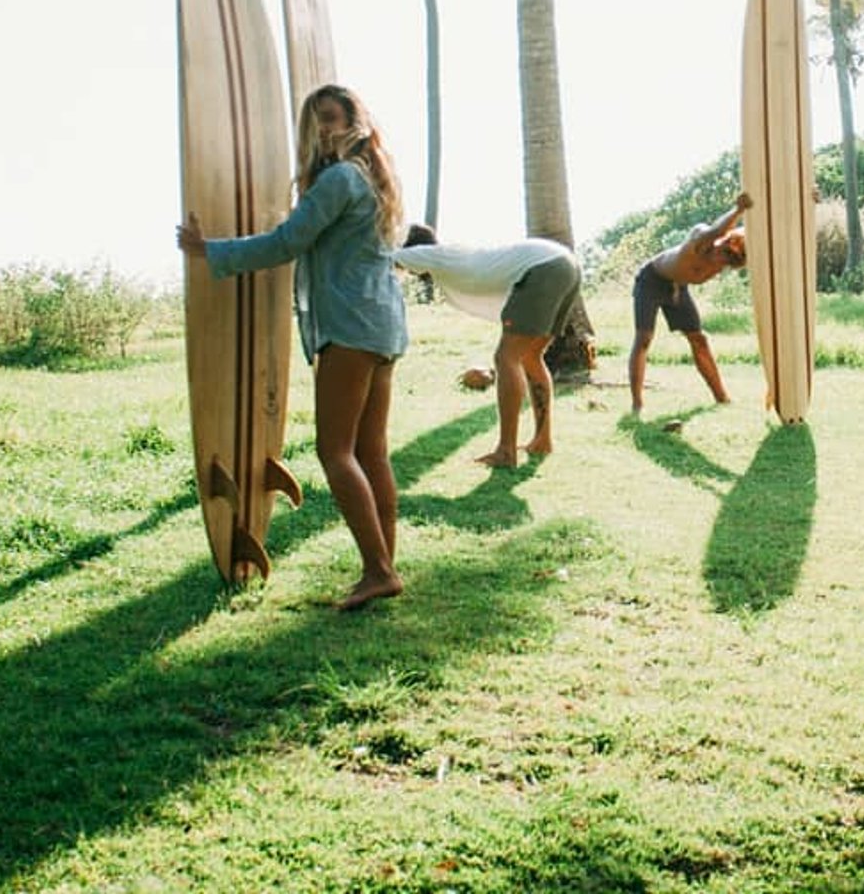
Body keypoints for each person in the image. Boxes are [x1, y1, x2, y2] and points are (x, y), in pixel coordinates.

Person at [177, 83, 408, 611]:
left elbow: (286, 243)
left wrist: (207, 251)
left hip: (351, 326)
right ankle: (383, 566)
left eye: (330, 118)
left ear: (355, 121)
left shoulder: (340, 181)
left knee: (336, 451)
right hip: (383, 326)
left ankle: (377, 569)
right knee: (370, 452)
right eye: (314, 123)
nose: (322, 130)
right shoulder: (372, 180)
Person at [394, 224, 583, 468]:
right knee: (531, 357)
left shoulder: (430, 254)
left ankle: (506, 451)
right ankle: (542, 440)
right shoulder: (452, 254)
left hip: (543, 268)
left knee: (506, 358)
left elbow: (382, 256)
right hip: (565, 264)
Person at [627, 192, 753, 415]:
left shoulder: (726, 260)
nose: (721, 261)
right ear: (724, 241)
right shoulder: (701, 239)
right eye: (723, 252)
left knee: (699, 339)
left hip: (677, 285)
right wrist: (738, 210)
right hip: (652, 280)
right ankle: (637, 404)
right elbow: (717, 230)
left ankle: (721, 397)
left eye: (728, 260)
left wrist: (808, 201)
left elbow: (767, 236)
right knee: (644, 338)